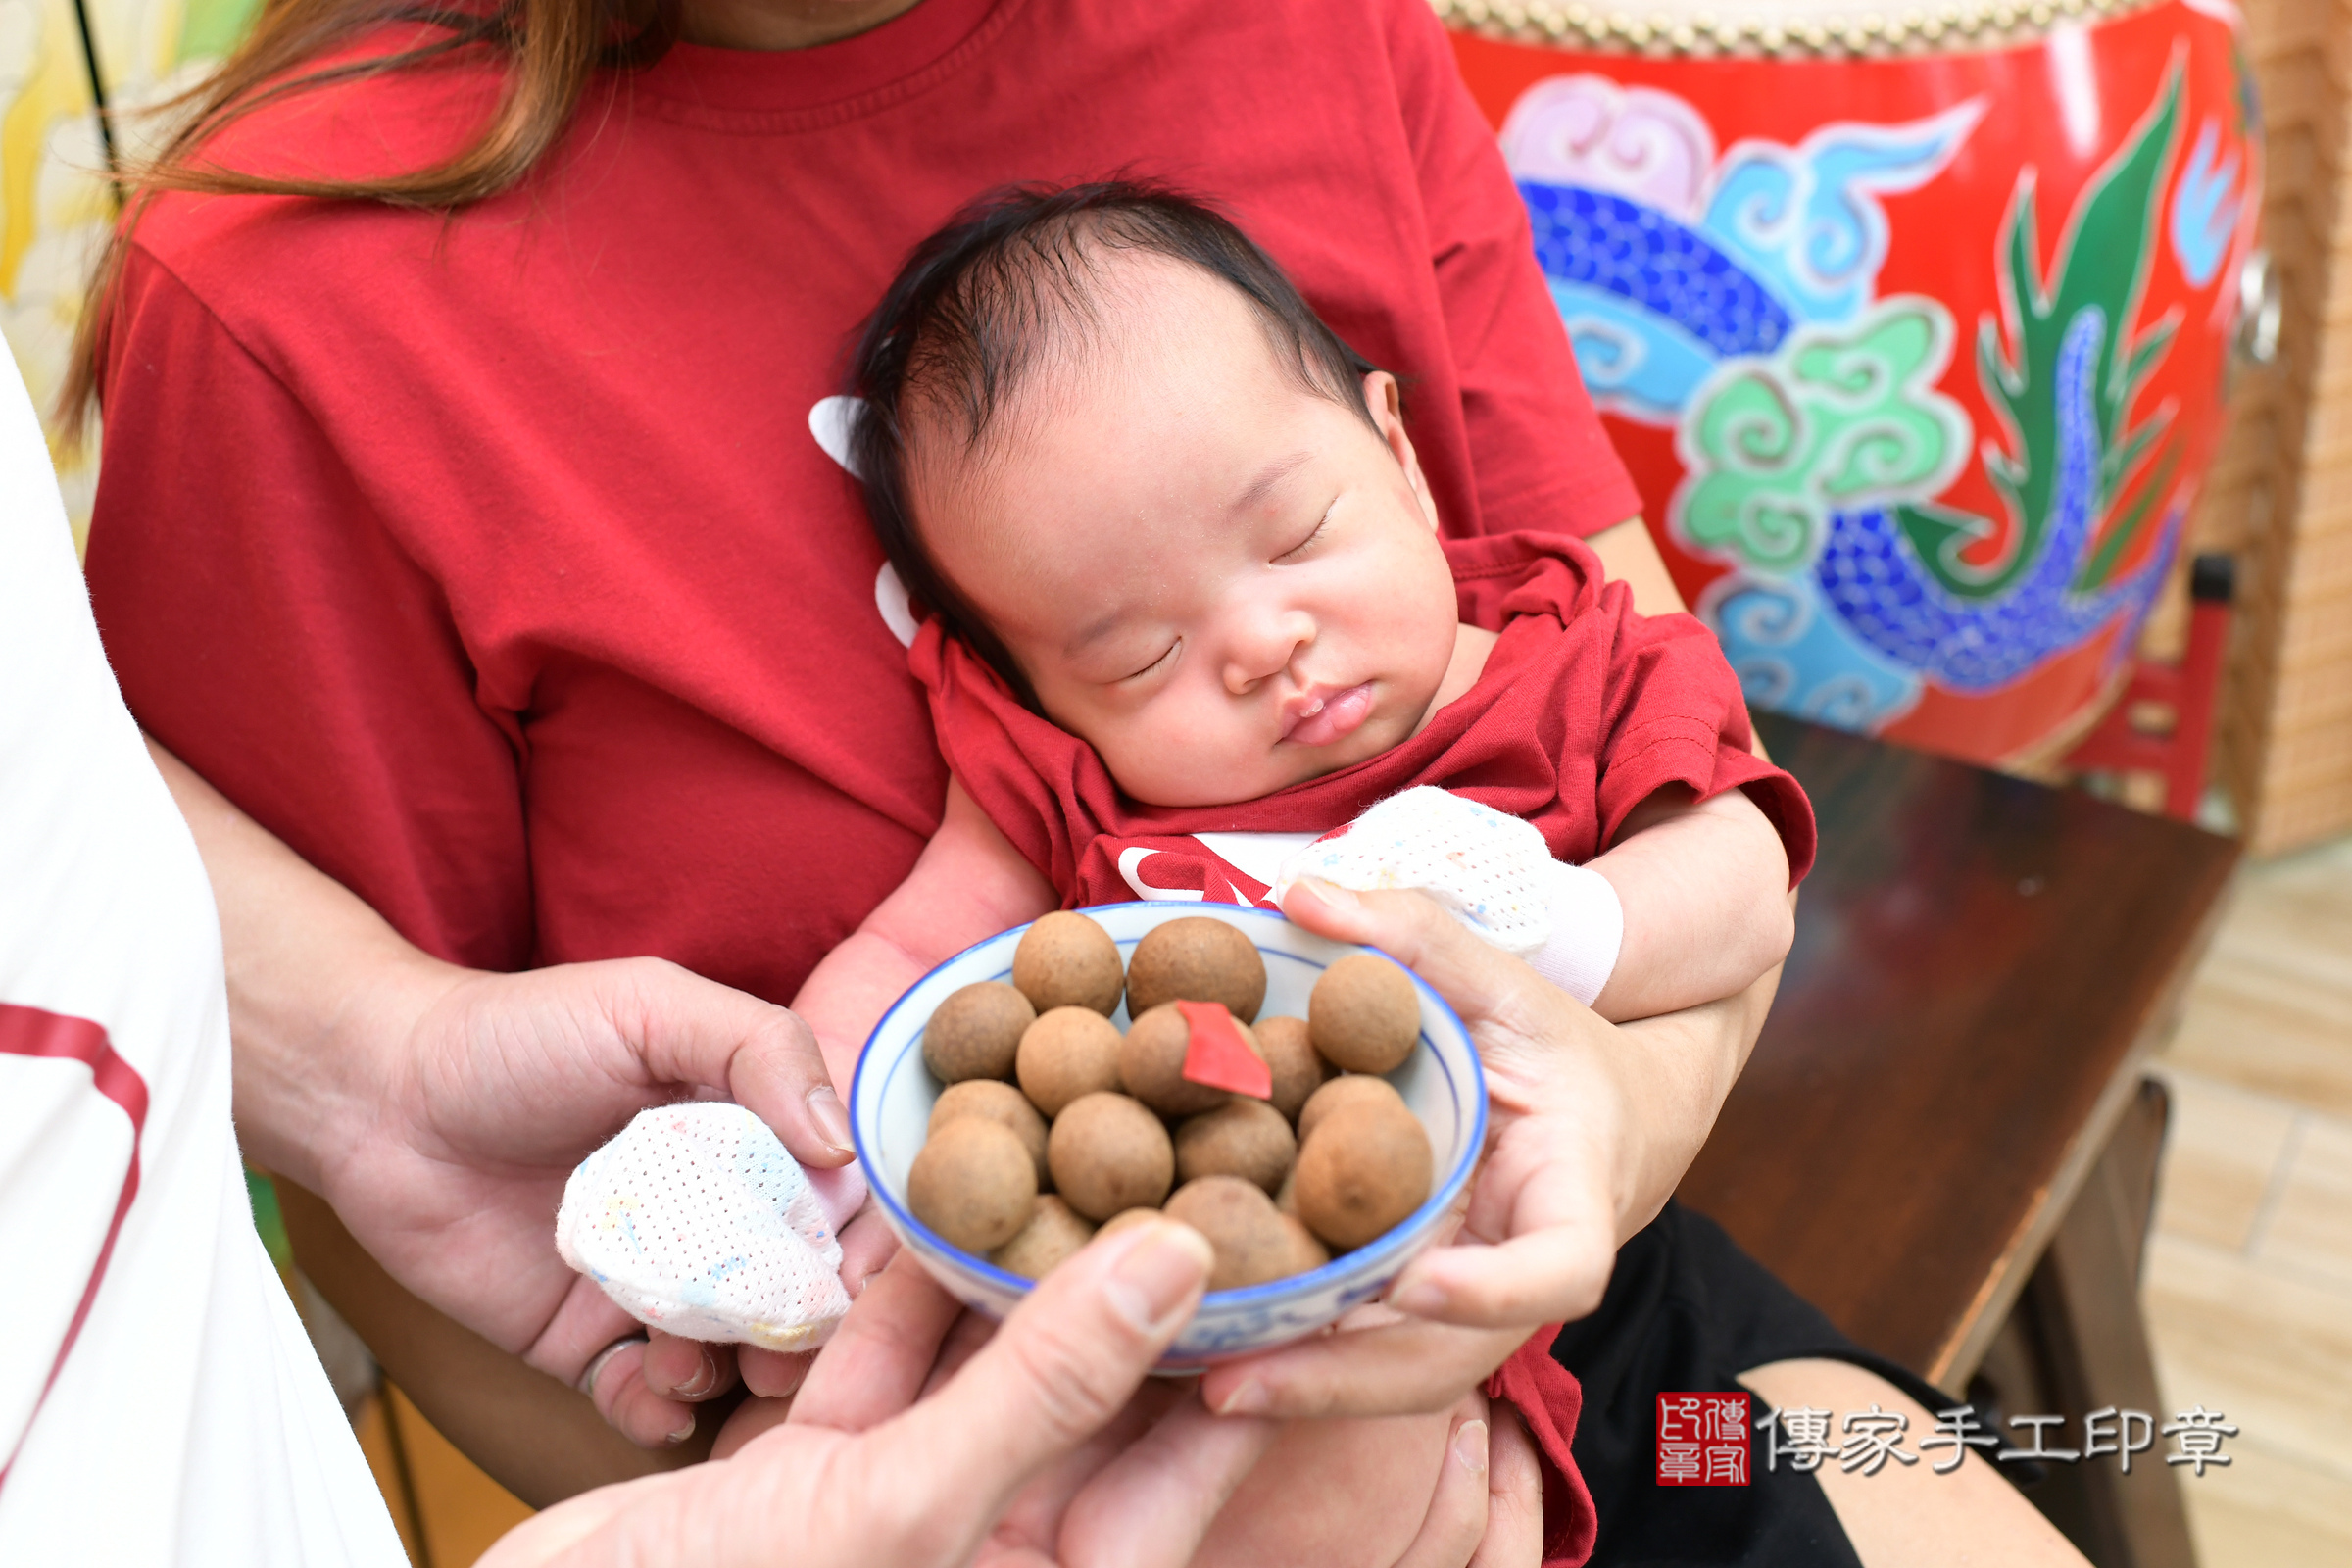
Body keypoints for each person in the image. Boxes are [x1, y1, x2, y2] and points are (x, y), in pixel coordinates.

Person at [72, 0, 2093, 1558]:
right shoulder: (282, 294)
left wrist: (1589, 1175)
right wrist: (879, 1482)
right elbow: (379, 1207)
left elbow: (1679, 780)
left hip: (1576, 1332)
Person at [0, 345, 1537, 1565]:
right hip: (1039, 1399)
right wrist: (785, 1163)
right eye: (1132, 653)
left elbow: (1736, 838)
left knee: (1752, 1437)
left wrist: (1583, 999)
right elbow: (912, 953)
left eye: (1302, 533)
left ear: (1391, 449)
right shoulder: (1046, 774)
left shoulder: (1560, 663)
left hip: (1530, 1311)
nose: (1265, 642)